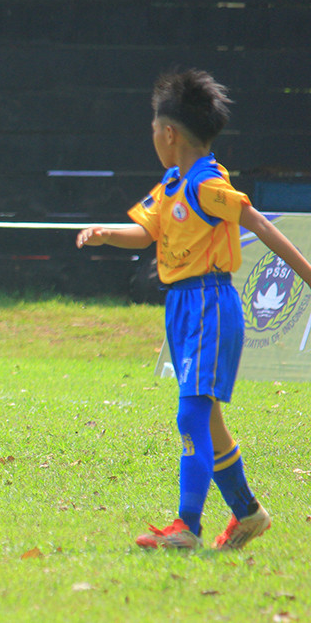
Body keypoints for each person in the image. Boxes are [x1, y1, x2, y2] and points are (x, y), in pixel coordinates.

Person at [76, 69, 311, 551]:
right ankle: (248, 513)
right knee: (209, 423)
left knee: (191, 418)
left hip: (210, 302)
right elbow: (145, 232)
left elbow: (259, 223)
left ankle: (187, 525)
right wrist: (106, 233)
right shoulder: (171, 184)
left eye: (153, 133)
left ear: (168, 133)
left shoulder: (207, 183)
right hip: (181, 305)